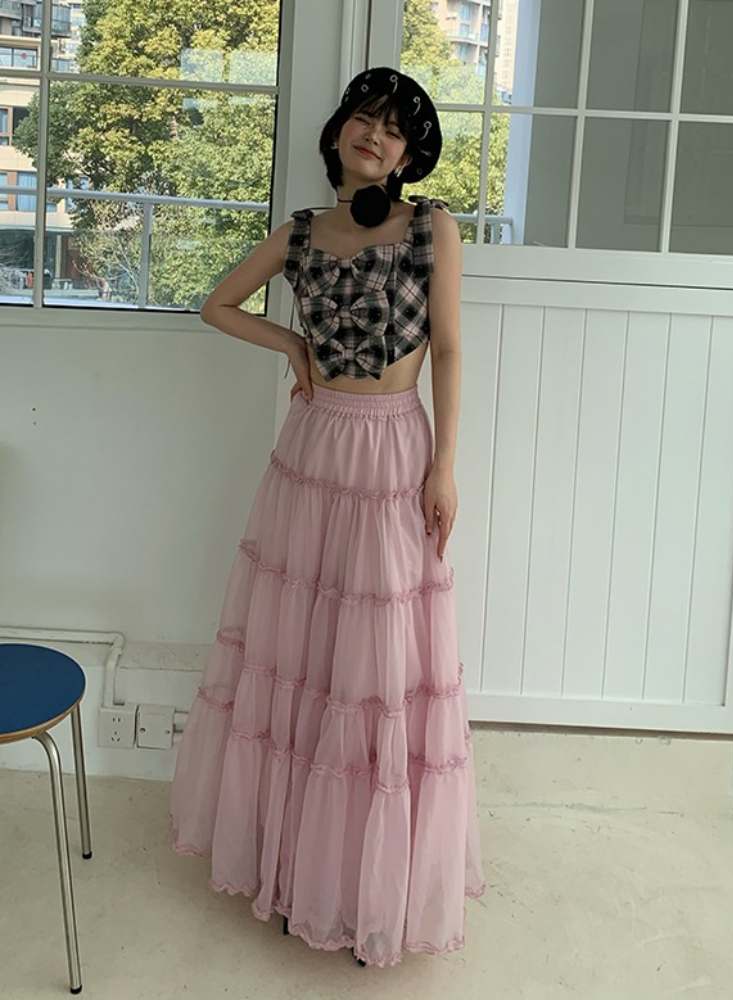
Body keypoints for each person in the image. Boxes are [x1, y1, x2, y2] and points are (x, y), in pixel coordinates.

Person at [168, 66, 486, 969]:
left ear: (410, 154)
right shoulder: (302, 232)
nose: (374, 135)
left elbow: (449, 348)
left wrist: (444, 465)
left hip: (392, 453)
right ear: (339, 131)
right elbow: (217, 304)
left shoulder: (431, 227)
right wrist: (291, 343)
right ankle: (294, 870)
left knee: (378, 663)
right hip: (312, 452)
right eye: (363, 118)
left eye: (394, 129)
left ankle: (365, 890)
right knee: (304, 653)